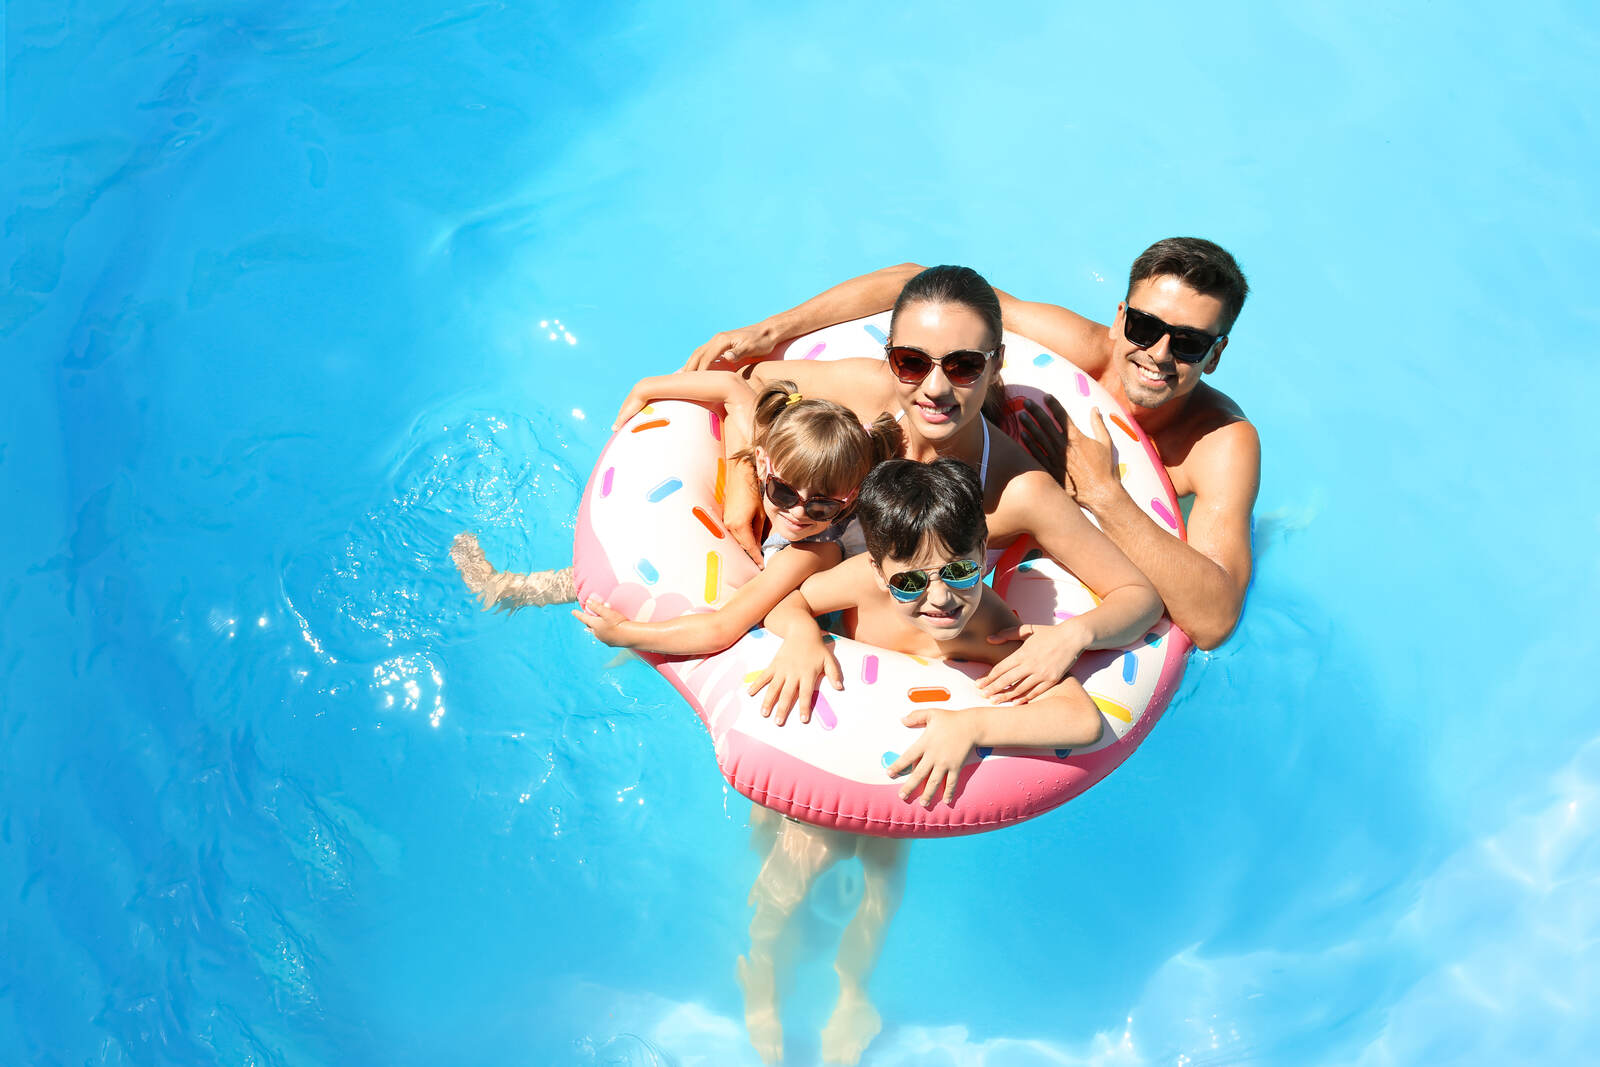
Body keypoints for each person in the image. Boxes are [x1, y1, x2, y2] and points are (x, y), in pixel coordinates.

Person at [686, 239, 1258, 650]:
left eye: (1187, 342)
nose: (1158, 353)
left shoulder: (1219, 442)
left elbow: (1210, 620)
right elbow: (922, 285)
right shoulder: (1067, 350)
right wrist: (773, 331)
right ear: (1120, 318)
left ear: (1217, 352)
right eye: (1144, 328)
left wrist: (1105, 494)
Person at [738, 457, 1106, 1066]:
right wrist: (805, 637)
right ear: (881, 572)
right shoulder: (858, 582)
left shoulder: (989, 623)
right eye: (910, 583)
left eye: (961, 571)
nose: (939, 599)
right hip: (829, 753)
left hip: (898, 775)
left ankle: (854, 993)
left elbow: (1082, 720)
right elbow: (784, 601)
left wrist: (975, 724)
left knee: (883, 876)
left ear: (983, 553)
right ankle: (762, 979)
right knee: (791, 869)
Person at [693, 264, 1163, 704]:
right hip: (796, 619)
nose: (934, 388)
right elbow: (749, 383)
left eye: (963, 366)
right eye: (912, 362)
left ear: (996, 362)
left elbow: (1138, 598)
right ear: (891, 357)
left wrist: (1072, 637)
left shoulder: (1016, 489)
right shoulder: (868, 392)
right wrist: (744, 496)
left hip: (905, 668)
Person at [459, 370, 900, 719]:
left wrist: (626, 635)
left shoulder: (815, 551)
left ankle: (511, 589)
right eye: (784, 493)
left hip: (802, 600)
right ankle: (507, 587)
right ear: (764, 461)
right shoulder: (769, 451)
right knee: (611, 571)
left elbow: (723, 628)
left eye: (823, 505)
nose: (799, 513)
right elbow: (732, 388)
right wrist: (644, 388)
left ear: (852, 498)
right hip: (731, 533)